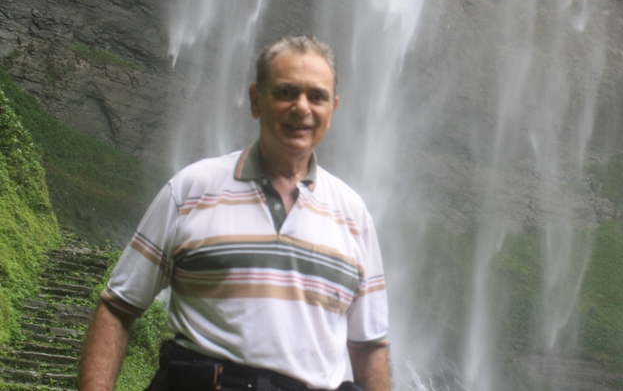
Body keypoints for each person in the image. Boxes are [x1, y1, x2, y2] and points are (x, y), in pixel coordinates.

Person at [78, 35, 391, 391]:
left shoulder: (355, 216)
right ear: (256, 100)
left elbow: (368, 347)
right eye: (286, 92)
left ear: (332, 109)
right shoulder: (189, 190)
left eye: (316, 96)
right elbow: (117, 307)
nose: (302, 107)